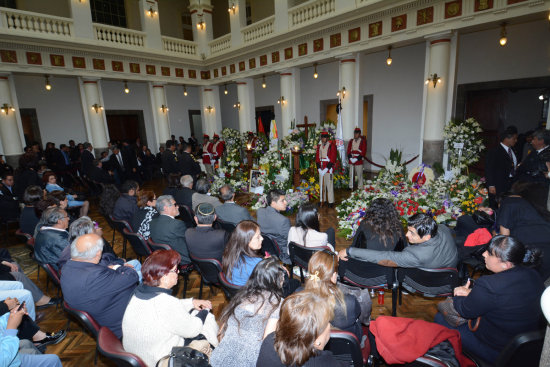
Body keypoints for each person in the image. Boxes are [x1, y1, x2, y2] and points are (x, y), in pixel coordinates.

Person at [434, 236, 544, 364]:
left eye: (490, 253)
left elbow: (464, 310)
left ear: (505, 264)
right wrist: (472, 293)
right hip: (526, 347)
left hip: (498, 350)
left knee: (440, 318)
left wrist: (459, 294)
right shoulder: (533, 275)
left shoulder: (488, 285)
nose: (484, 254)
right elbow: (504, 299)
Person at [122, 249, 218, 366]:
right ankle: (216, 358)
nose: (178, 273)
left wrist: (191, 302)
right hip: (160, 360)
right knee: (208, 320)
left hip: (139, 356)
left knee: (193, 313)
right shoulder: (165, 303)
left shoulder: (138, 292)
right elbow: (193, 330)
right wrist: (205, 311)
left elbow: (169, 310)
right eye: (175, 270)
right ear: (164, 277)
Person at [61, 233, 139, 338]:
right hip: (121, 325)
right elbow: (132, 276)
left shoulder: (67, 267)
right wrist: (117, 267)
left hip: (102, 305)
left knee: (135, 264)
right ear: (98, 253)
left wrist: (109, 267)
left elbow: (101, 264)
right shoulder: (94, 277)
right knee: (142, 273)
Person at [210, 257, 286, 367]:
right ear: (276, 280)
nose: (284, 278)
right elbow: (267, 343)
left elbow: (221, 333)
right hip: (250, 362)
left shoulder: (242, 296)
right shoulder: (279, 304)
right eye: (282, 275)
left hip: (218, 358)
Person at [256, 290, 346, 367]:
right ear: (316, 340)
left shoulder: (270, 341)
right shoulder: (328, 363)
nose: (329, 326)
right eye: (327, 322)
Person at [339, 212, 458, 269]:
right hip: (449, 272)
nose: (406, 234)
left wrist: (350, 251)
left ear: (427, 237)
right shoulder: (442, 229)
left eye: (412, 233)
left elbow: (384, 256)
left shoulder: (416, 256)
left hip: (427, 282)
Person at [304, 251, 362, 341]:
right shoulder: (349, 302)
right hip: (344, 348)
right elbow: (359, 313)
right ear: (334, 276)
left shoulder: (298, 298)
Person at [149, 195, 191, 264]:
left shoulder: (152, 223)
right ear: (166, 208)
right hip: (181, 258)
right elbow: (189, 239)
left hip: (164, 258)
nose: (177, 206)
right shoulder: (177, 224)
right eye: (175, 205)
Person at [221, 220, 263, 286]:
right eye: (257, 237)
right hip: (249, 293)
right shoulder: (257, 263)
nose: (262, 238)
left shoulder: (229, 253)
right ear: (246, 241)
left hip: (234, 293)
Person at [485, 126, 518, 208]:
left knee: (506, 206)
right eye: (514, 138)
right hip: (498, 184)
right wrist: (491, 185)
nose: (516, 141)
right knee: (496, 206)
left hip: (509, 183)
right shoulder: (494, 151)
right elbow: (489, 169)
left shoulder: (513, 151)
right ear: (507, 138)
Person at [516, 128, 550, 203]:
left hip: (537, 191)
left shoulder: (547, 155)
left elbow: (538, 172)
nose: (531, 142)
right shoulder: (534, 152)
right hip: (525, 188)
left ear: (541, 141)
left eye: (534, 139)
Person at [257, 190, 291, 264]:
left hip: (264, 248)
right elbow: (288, 241)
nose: (286, 202)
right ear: (273, 203)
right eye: (282, 201)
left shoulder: (260, 211)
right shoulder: (284, 220)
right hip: (280, 252)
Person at [315, 131, 337, 207]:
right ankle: (322, 200)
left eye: (324, 137)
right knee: (322, 185)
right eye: (322, 137)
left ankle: (331, 202)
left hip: (328, 168)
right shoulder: (319, 146)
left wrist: (326, 169)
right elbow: (317, 157)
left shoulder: (332, 146)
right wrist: (318, 168)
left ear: (327, 138)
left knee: (329, 185)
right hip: (321, 168)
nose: (323, 139)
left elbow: (333, 158)